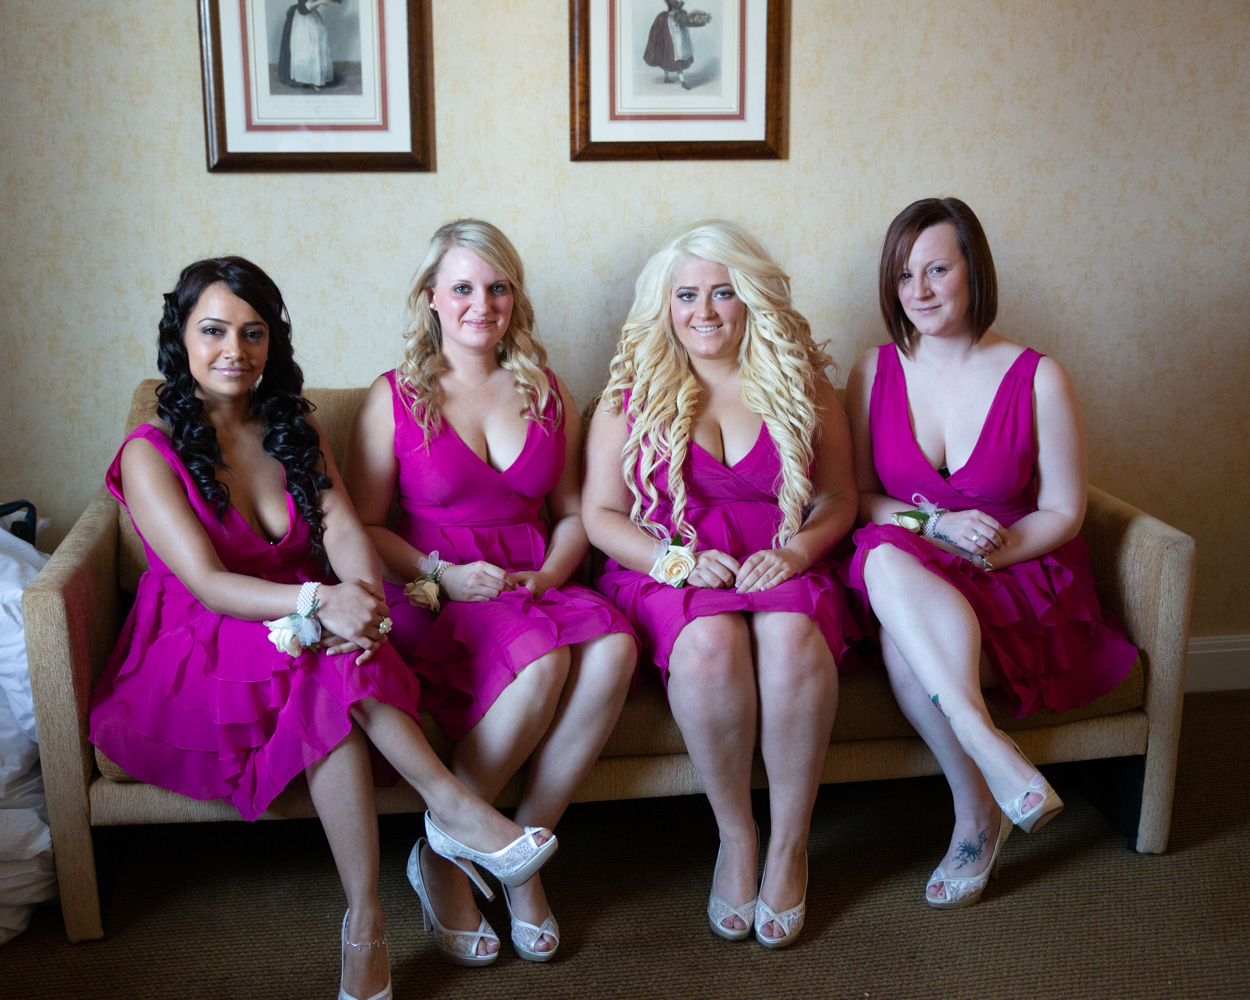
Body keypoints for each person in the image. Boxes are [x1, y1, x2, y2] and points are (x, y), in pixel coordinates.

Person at [87, 257, 557, 1000]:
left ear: (273, 341)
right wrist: (318, 603)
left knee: (335, 663)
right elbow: (207, 582)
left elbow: (343, 531)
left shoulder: (293, 425)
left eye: (252, 332)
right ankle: (453, 814)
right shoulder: (151, 451)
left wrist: (363, 599)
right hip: (206, 632)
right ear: (182, 338)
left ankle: (364, 923)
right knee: (324, 661)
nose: (234, 350)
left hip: (304, 610)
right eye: (213, 332)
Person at [345, 220, 637, 965]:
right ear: (433, 299)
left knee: (614, 645)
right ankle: (452, 858)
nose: (483, 303)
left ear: (515, 299)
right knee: (544, 660)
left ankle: (515, 858)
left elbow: (573, 513)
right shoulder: (395, 396)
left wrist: (548, 573)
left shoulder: (549, 391)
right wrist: (442, 572)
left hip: (531, 581)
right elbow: (361, 528)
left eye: (498, 287)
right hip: (434, 591)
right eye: (465, 287)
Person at [842, 198, 1137, 909]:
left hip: (1016, 574)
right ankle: (989, 755)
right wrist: (935, 524)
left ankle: (977, 817)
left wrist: (991, 553)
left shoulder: (1039, 376)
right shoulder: (872, 372)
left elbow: (1065, 511)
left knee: (905, 656)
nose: (920, 290)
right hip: (915, 566)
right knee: (883, 556)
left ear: (973, 270)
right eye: (905, 275)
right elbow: (858, 498)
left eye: (938, 269)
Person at [582, 221, 861, 949]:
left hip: (780, 558)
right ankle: (737, 838)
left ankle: (790, 845)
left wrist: (797, 552)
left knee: (795, 640)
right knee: (708, 645)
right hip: (671, 566)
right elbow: (600, 515)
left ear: (751, 301)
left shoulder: (804, 383)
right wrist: (674, 563)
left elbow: (838, 498)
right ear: (664, 305)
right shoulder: (630, 393)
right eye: (686, 295)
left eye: (723, 292)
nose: (704, 311)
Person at [642, 0, 711, 89]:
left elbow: (679, 8)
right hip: (670, 25)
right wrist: (679, 5)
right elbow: (673, 6)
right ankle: (682, 82)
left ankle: (667, 78)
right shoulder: (667, 12)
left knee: (673, 53)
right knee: (672, 54)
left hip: (677, 22)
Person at [277, 0, 336, 89]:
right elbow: (303, 8)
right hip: (303, 21)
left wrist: (323, 2)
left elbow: (315, 4)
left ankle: (315, 80)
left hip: (312, 18)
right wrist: (320, 2)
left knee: (316, 50)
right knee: (306, 51)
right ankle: (306, 78)